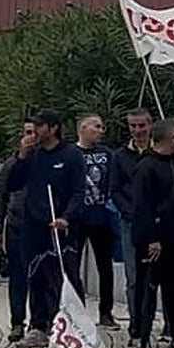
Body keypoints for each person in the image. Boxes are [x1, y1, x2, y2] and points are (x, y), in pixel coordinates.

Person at [7, 110, 86, 348]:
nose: (35, 132)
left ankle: (73, 324)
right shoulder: (33, 155)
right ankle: (38, 325)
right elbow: (13, 184)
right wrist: (21, 156)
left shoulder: (71, 154)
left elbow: (79, 190)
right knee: (35, 276)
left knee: (66, 275)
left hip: (62, 225)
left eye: (40, 127)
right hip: (34, 224)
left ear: (53, 128)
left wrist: (66, 217)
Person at [129, 118, 174, 348]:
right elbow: (141, 206)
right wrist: (151, 238)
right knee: (147, 287)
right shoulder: (146, 167)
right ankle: (140, 334)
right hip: (153, 238)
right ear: (169, 137)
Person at [110, 107, 152, 342]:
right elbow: (115, 190)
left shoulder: (157, 153)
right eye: (133, 126)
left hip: (156, 223)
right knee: (134, 278)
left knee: (159, 277)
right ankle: (136, 324)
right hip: (130, 223)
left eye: (141, 126)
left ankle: (168, 327)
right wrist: (129, 212)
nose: (137, 131)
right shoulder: (120, 157)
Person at [74, 114, 118, 329]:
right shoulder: (72, 153)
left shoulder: (107, 154)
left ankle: (106, 312)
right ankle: (76, 310)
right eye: (97, 126)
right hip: (77, 218)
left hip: (101, 217)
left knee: (105, 267)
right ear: (83, 128)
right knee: (72, 266)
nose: (101, 130)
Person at [0, 121, 34, 342]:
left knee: (41, 277)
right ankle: (17, 322)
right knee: (17, 277)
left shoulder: (45, 162)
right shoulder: (11, 164)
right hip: (16, 226)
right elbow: (0, 196)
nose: (31, 138)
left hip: (40, 226)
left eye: (35, 133)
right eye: (27, 133)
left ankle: (41, 322)